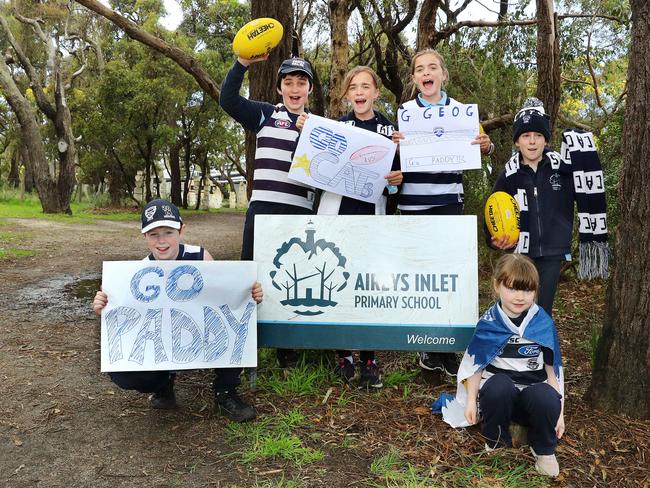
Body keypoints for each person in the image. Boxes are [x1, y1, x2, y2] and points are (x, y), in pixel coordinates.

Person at [92, 199, 263, 423]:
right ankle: (163, 385)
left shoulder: (200, 256)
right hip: (165, 339)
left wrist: (249, 296)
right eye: (153, 234)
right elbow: (127, 319)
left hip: (201, 335)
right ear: (144, 236)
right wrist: (104, 306)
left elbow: (226, 300)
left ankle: (226, 392)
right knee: (123, 374)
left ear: (181, 230)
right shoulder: (136, 273)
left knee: (228, 324)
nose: (161, 241)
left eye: (168, 232)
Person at [297, 66, 403, 389]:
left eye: (365, 86)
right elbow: (315, 164)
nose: (359, 92)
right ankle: (344, 353)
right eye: (353, 87)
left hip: (371, 218)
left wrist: (396, 183)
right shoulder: (337, 127)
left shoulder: (390, 130)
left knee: (367, 284)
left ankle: (369, 358)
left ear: (375, 92)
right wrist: (307, 128)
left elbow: (396, 185)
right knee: (339, 280)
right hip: (338, 216)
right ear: (347, 94)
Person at [393, 48, 494, 380]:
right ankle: (427, 347)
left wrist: (487, 146)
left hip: (449, 202)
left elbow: (482, 146)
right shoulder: (404, 113)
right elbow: (395, 164)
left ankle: (448, 347)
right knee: (423, 277)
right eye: (420, 68)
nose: (426, 72)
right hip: (413, 206)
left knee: (449, 276)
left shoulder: (461, 113)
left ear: (443, 74)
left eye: (432, 67)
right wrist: (395, 147)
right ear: (414, 79)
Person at [219, 55, 317, 368]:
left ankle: (285, 346)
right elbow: (228, 100)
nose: (295, 88)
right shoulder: (264, 114)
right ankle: (241, 343)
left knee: (290, 276)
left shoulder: (320, 126)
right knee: (250, 274)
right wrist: (241, 63)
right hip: (262, 208)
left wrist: (308, 132)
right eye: (288, 82)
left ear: (310, 89)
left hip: (299, 211)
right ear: (279, 88)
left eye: (301, 82)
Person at [441, 254, 564, 477]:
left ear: (535, 291)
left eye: (527, 290)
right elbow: (474, 366)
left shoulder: (543, 322)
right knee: (499, 386)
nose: (520, 297)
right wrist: (470, 402)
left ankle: (544, 450)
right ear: (497, 286)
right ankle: (496, 442)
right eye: (513, 288)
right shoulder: (489, 322)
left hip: (531, 402)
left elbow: (553, 372)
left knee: (545, 396)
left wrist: (560, 414)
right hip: (498, 402)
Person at [488, 97, 609, 316]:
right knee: (517, 308)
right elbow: (493, 210)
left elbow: (585, 190)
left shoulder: (562, 168)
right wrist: (493, 239)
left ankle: (541, 349)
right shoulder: (509, 174)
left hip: (552, 253)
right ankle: (516, 347)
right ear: (517, 141)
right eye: (526, 136)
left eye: (538, 136)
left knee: (542, 310)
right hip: (521, 254)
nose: (532, 141)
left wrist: (583, 156)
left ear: (546, 139)